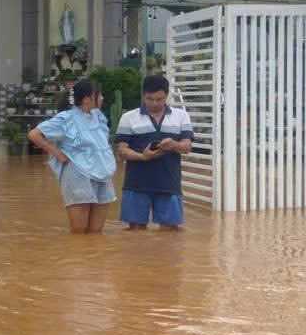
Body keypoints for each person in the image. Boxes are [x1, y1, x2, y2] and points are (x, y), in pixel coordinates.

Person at [28, 79, 117, 234]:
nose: (102, 98)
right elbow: (34, 134)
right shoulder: (66, 118)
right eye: (99, 94)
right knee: (79, 231)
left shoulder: (99, 116)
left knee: (96, 232)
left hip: (103, 173)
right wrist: (57, 153)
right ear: (87, 99)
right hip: (79, 174)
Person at [115, 74, 194, 230]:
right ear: (144, 95)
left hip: (169, 184)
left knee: (170, 233)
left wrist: (173, 145)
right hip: (136, 184)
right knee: (135, 233)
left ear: (166, 96)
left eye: (159, 99)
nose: (154, 103)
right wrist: (142, 157)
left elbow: (187, 147)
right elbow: (121, 150)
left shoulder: (181, 116)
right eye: (150, 99)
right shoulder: (128, 118)